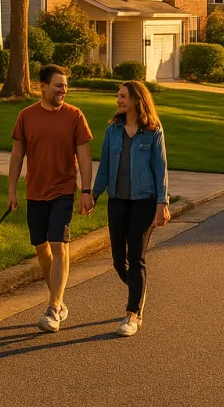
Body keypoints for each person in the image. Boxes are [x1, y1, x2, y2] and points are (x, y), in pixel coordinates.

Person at [6, 64, 94, 333]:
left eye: (65, 86)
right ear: (42, 86)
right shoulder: (26, 116)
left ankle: (54, 306)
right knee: (41, 246)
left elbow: (85, 157)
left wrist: (86, 191)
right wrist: (12, 190)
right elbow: (17, 156)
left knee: (58, 243)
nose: (63, 90)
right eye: (58, 85)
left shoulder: (74, 116)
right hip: (35, 191)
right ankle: (59, 297)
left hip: (63, 191)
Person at [93, 81, 170, 337]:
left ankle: (133, 313)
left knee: (136, 256)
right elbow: (104, 166)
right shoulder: (113, 130)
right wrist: (92, 195)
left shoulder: (153, 131)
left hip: (144, 201)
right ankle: (138, 288)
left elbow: (161, 169)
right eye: (118, 96)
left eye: (123, 96)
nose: (118, 100)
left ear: (137, 99)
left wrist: (162, 204)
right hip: (118, 200)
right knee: (118, 260)